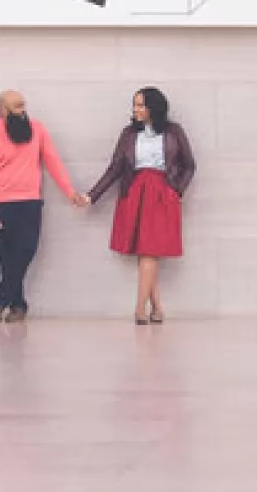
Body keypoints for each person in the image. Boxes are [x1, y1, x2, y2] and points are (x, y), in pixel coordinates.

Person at [82, 87, 196, 325]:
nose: (136, 110)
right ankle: (157, 308)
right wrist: (91, 196)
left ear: (154, 107)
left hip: (162, 194)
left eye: (141, 105)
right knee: (146, 252)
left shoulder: (173, 131)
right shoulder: (128, 134)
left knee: (149, 251)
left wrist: (176, 191)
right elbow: (114, 168)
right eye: (134, 105)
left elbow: (189, 165)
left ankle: (139, 310)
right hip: (134, 192)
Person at [0, 90, 85, 324]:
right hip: (2, 206)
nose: (22, 110)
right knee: (7, 260)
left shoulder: (38, 130)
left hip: (31, 203)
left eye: (24, 105)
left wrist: (69, 191)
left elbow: (53, 161)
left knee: (27, 250)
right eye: (16, 107)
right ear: (3, 110)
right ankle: (18, 306)